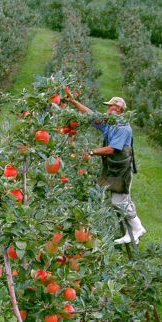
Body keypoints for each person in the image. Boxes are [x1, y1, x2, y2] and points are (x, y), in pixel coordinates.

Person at [65, 91, 146, 245]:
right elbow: (91, 116)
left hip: (122, 170)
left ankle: (137, 228)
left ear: (118, 109)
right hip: (114, 168)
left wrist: (91, 152)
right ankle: (132, 232)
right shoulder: (111, 123)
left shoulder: (123, 128)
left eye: (110, 107)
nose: (107, 109)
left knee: (119, 201)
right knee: (121, 199)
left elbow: (111, 149)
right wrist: (74, 102)